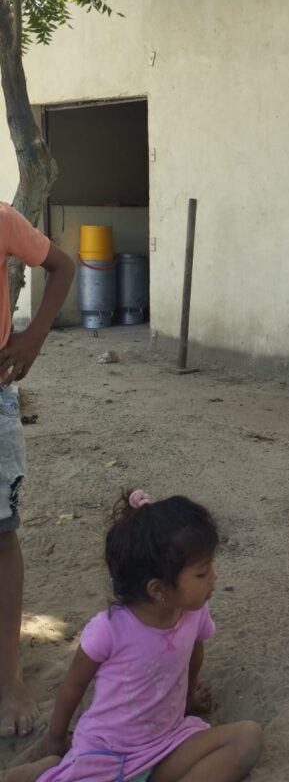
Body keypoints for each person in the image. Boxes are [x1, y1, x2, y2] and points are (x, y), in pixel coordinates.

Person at [15, 489, 263, 782]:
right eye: (201, 573)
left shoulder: (193, 612)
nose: (215, 577)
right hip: (107, 754)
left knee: (247, 738)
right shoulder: (109, 629)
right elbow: (74, 685)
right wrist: (56, 737)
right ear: (158, 589)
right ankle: (46, 767)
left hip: (167, 743)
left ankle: (55, 767)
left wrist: (190, 696)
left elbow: (194, 654)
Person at [0, 202, 74, 738]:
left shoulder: (2, 219)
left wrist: (34, 336)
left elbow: (62, 265)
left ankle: (9, 677)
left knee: (1, 536)